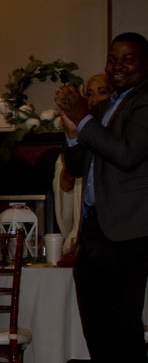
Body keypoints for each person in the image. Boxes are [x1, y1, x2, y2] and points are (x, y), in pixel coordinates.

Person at [55, 33, 148, 363]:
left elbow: (127, 155)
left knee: (123, 329)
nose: (117, 66)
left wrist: (85, 120)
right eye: (112, 59)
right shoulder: (105, 106)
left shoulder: (144, 103)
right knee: (97, 327)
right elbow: (77, 166)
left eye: (128, 59)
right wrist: (73, 130)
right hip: (94, 230)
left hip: (128, 232)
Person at [55, 73, 110, 255]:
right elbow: (66, 184)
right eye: (89, 94)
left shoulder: (117, 135)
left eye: (102, 92)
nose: (95, 99)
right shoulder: (79, 133)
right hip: (87, 228)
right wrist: (73, 137)